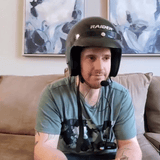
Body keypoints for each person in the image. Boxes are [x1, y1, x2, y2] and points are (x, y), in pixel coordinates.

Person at [34, 17, 142, 160]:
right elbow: (44, 147)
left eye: (106, 58)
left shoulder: (121, 96)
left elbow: (130, 145)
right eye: (91, 58)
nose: (100, 68)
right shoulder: (54, 94)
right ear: (76, 62)